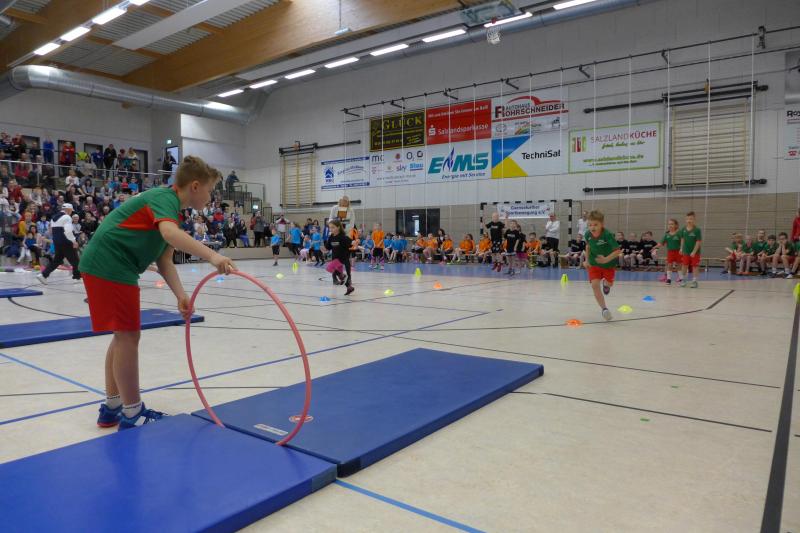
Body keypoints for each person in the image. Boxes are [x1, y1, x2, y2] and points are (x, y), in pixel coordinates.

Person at [79, 155, 236, 430]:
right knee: (128, 336)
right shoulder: (165, 198)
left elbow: (164, 261)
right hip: (110, 264)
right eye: (210, 190)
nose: (211, 197)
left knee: (122, 335)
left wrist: (181, 295)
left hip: (107, 264)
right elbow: (170, 235)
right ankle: (132, 411)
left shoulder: (170, 210)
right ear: (195, 186)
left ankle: (112, 407)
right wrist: (213, 256)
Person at [584, 210, 621, 321]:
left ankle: (606, 285)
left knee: (609, 284)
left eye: (595, 224)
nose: (592, 227)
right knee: (594, 285)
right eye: (590, 225)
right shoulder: (587, 234)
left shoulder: (607, 235)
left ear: (602, 224)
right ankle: (604, 309)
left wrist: (605, 260)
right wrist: (587, 260)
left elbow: (617, 251)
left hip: (608, 264)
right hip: (594, 264)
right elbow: (588, 247)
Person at [36, 203, 81, 283]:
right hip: (66, 242)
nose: (71, 212)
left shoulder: (53, 218)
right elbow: (68, 231)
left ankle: (43, 275)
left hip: (57, 243)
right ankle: (77, 278)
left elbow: (52, 231)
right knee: (75, 260)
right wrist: (74, 241)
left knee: (57, 261)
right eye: (71, 211)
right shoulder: (67, 217)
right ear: (68, 209)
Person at [325, 219, 354, 295]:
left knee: (330, 268)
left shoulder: (342, 237)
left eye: (333, 227)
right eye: (330, 227)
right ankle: (349, 287)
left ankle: (345, 278)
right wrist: (324, 249)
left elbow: (351, 243)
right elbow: (328, 247)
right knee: (339, 275)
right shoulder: (331, 237)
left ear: (338, 227)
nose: (331, 229)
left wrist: (357, 244)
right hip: (335, 258)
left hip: (342, 258)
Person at [678, 211, 702, 288]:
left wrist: (694, 252)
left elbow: (698, 242)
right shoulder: (683, 229)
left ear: (694, 220)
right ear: (685, 219)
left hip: (695, 252)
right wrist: (681, 248)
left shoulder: (697, 230)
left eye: (691, 219)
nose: (689, 220)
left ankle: (694, 281)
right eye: (687, 219)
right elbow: (682, 239)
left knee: (695, 266)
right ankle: (683, 280)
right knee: (684, 265)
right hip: (686, 251)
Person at [655, 219, 682, 284]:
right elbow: (661, 243)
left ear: (676, 225)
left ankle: (681, 278)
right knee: (669, 265)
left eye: (672, 224)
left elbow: (683, 242)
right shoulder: (666, 235)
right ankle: (669, 279)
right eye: (669, 224)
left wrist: (682, 249)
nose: (670, 225)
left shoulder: (679, 234)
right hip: (670, 252)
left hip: (678, 252)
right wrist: (655, 248)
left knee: (679, 265)